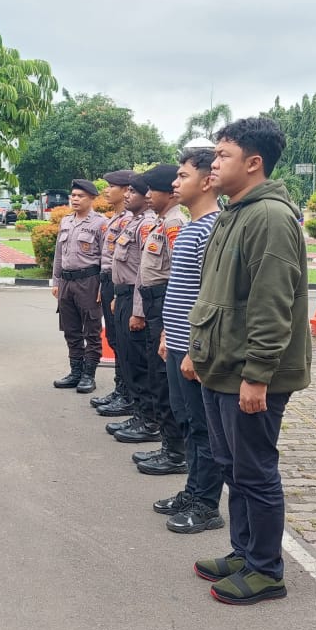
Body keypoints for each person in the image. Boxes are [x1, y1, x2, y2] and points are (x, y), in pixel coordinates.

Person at [189, 117, 311, 606]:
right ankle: (244, 553)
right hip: (221, 365)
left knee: (255, 472)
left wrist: (257, 376)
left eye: (223, 155)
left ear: (254, 162)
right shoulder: (234, 213)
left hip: (249, 373)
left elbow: (271, 304)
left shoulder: (271, 218)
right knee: (233, 467)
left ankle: (265, 570)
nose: (213, 164)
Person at [152, 149, 225, 534]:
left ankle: (206, 504)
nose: (175, 183)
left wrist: (196, 351)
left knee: (202, 427)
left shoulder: (212, 229)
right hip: (178, 343)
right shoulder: (191, 227)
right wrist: (169, 333)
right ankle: (193, 489)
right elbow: (181, 290)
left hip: (196, 349)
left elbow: (210, 297)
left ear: (207, 181)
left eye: (183, 176)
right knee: (186, 420)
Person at [125, 164, 188, 464]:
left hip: (164, 303)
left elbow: (177, 274)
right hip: (151, 302)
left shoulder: (175, 224)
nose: (147, 195)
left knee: (164, 378)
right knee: (155, 372)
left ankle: (175, 451)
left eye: (153, 189)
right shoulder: (161, 223)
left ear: (170, 193)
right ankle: (167, 442)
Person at [105, 176, 156, 438]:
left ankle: (148, 421)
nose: (127, 195)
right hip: (123, 294)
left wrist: (138, 310)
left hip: (136, 298)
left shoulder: (146, 225)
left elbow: (142, 273)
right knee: (127, 358)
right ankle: (137, 413)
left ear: (147, 196)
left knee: (139, 363)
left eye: (133, 192)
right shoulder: (133, 222)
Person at [50, 179, 107, 394]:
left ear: (92, 198)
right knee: (71, 330)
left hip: (89, 281)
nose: (75, 199)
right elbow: (58, 255)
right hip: (67, 282)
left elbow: (106, 257)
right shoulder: (66, 221)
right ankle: (75, 372)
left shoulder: (100, 223)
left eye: (80, 196)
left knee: (91, 330)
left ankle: (88, 375)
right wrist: (56, 281)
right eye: (73, 195)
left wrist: (103, 286)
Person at [92, 170, 136, 414]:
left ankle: (128, 394)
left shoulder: (130, 219)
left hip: (121, 283)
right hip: (109, 280)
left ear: (126, 189)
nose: (106, 190)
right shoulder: (115, 218)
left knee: (123, 341)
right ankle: (120, 389)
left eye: (111, 186)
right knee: (114, 338)